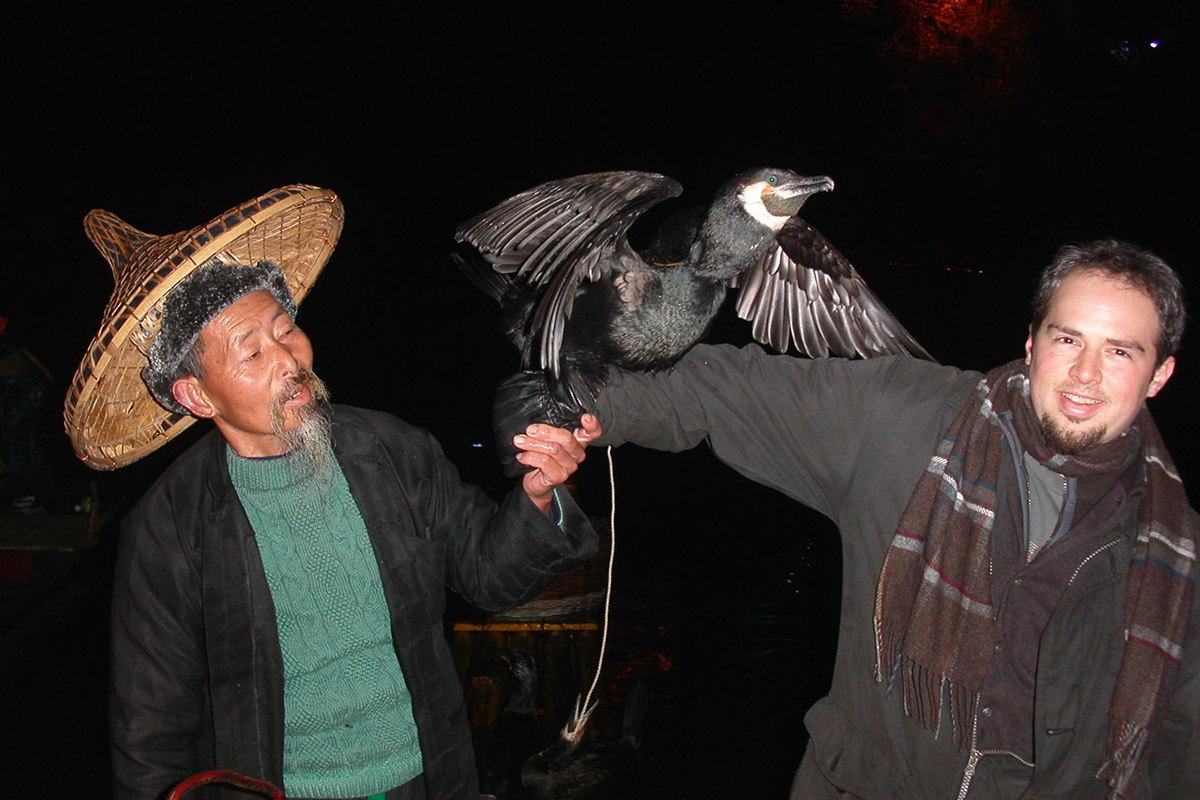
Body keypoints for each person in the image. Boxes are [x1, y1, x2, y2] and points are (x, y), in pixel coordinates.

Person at [503, 237, 1198, 798]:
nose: (1084, 375)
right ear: (1031, 341)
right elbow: (719, 392)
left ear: (1159, 374)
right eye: (1068, 339)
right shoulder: (910, 422)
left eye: (1120, 352)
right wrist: (570, 407)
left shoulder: (1175, 550)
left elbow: (1180, 740)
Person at [64, 186, 600, 800]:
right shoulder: (170, 525)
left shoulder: (391, 451)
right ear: (196, 396)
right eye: (252, 351)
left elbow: (486, 576)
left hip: (429, 777)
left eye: (286, 329)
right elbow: (150, 729)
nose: (289, 359)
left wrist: (536, 496)